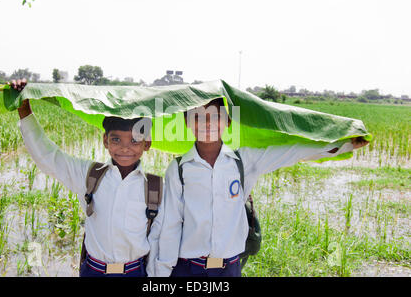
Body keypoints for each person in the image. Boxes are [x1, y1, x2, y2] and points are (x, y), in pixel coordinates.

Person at [153, 97, 369, 277]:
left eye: (215, 117)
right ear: (187, 123)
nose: (207, 123)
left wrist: (344, 144)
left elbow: (293, 152)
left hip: (229, 269)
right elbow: (170, 222)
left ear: (228, 122)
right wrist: (161, 272)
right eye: (197, 117)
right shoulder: (179, 168)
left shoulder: (244, 161)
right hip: (187, 268)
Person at [10, 78, 161, 277]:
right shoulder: (89, 175)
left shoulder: (156, 188)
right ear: (105, 140)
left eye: (134, 140)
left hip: (135, 272)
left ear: (147, 143)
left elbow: (162, 242)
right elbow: (48, 157)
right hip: (93, 271)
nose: (125, 147)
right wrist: (25, 110)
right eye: (116, 139)